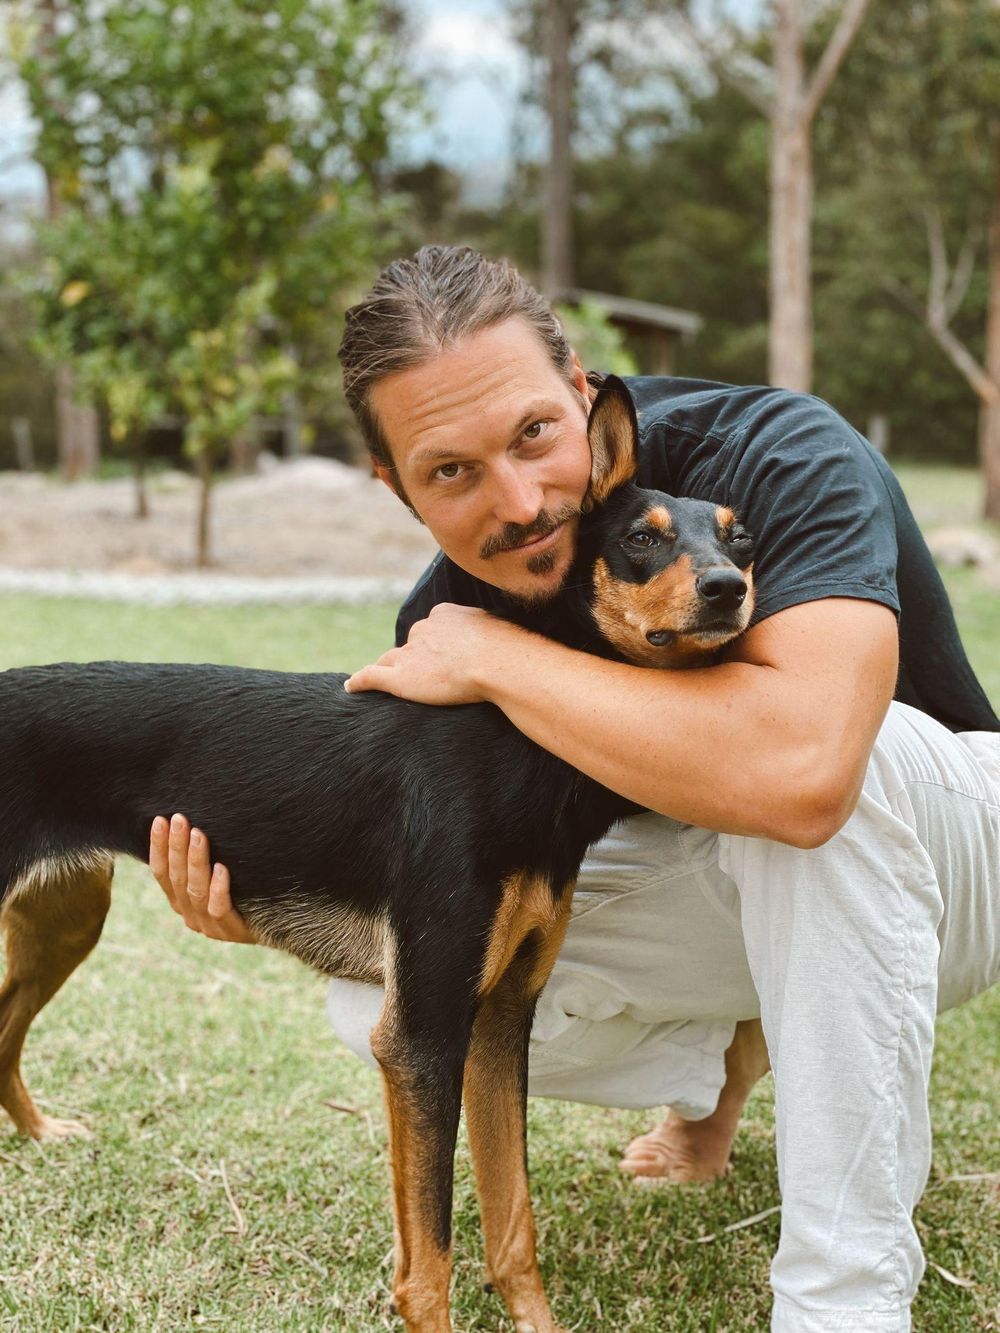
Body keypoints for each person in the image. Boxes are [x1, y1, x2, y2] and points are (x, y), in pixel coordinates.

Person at [150, 246, 1000, 1332]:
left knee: (826, 765)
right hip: (739, 877)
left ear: (585, 399)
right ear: (395, 485)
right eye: (449, 471)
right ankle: (715, 1074)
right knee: (392, 987)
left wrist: (501, 660)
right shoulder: (452, 601)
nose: (518, 502)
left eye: (533, 436)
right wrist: (251, 898)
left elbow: (806, 776)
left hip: (946, 863)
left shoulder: (782, 452)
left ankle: (842, 1302)